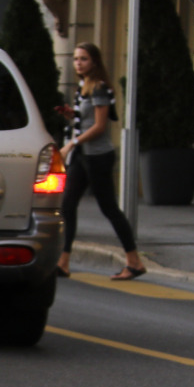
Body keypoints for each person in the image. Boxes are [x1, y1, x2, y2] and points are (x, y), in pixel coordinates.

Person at [54, 42, 146, 280]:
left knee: (109, 209)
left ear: (95, 62)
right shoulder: (84, 87)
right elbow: (87, 119)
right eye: (75, 59)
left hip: (98, 157)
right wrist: (71, 115)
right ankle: (63, 262)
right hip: (83, 157)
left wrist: (71, 144)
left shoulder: (99, 89)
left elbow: (100, 126)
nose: (78, 63)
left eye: (83, 59)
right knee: (67, 205)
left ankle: (134, 261)